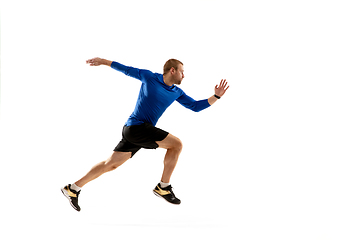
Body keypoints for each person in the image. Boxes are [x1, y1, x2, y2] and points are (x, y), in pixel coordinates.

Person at [61, 57, 229, 211]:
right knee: (176, 144)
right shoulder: (149, 77)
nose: (184, 75)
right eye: (182, 71)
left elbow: (195, 106)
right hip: (136, 127)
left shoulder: (177, 92)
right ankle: (163, 187)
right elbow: (126, 69)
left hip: (136, 131)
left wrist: (216, 96)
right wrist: (103, 61)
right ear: (172, 70)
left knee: (110, 164)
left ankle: (73, 188)